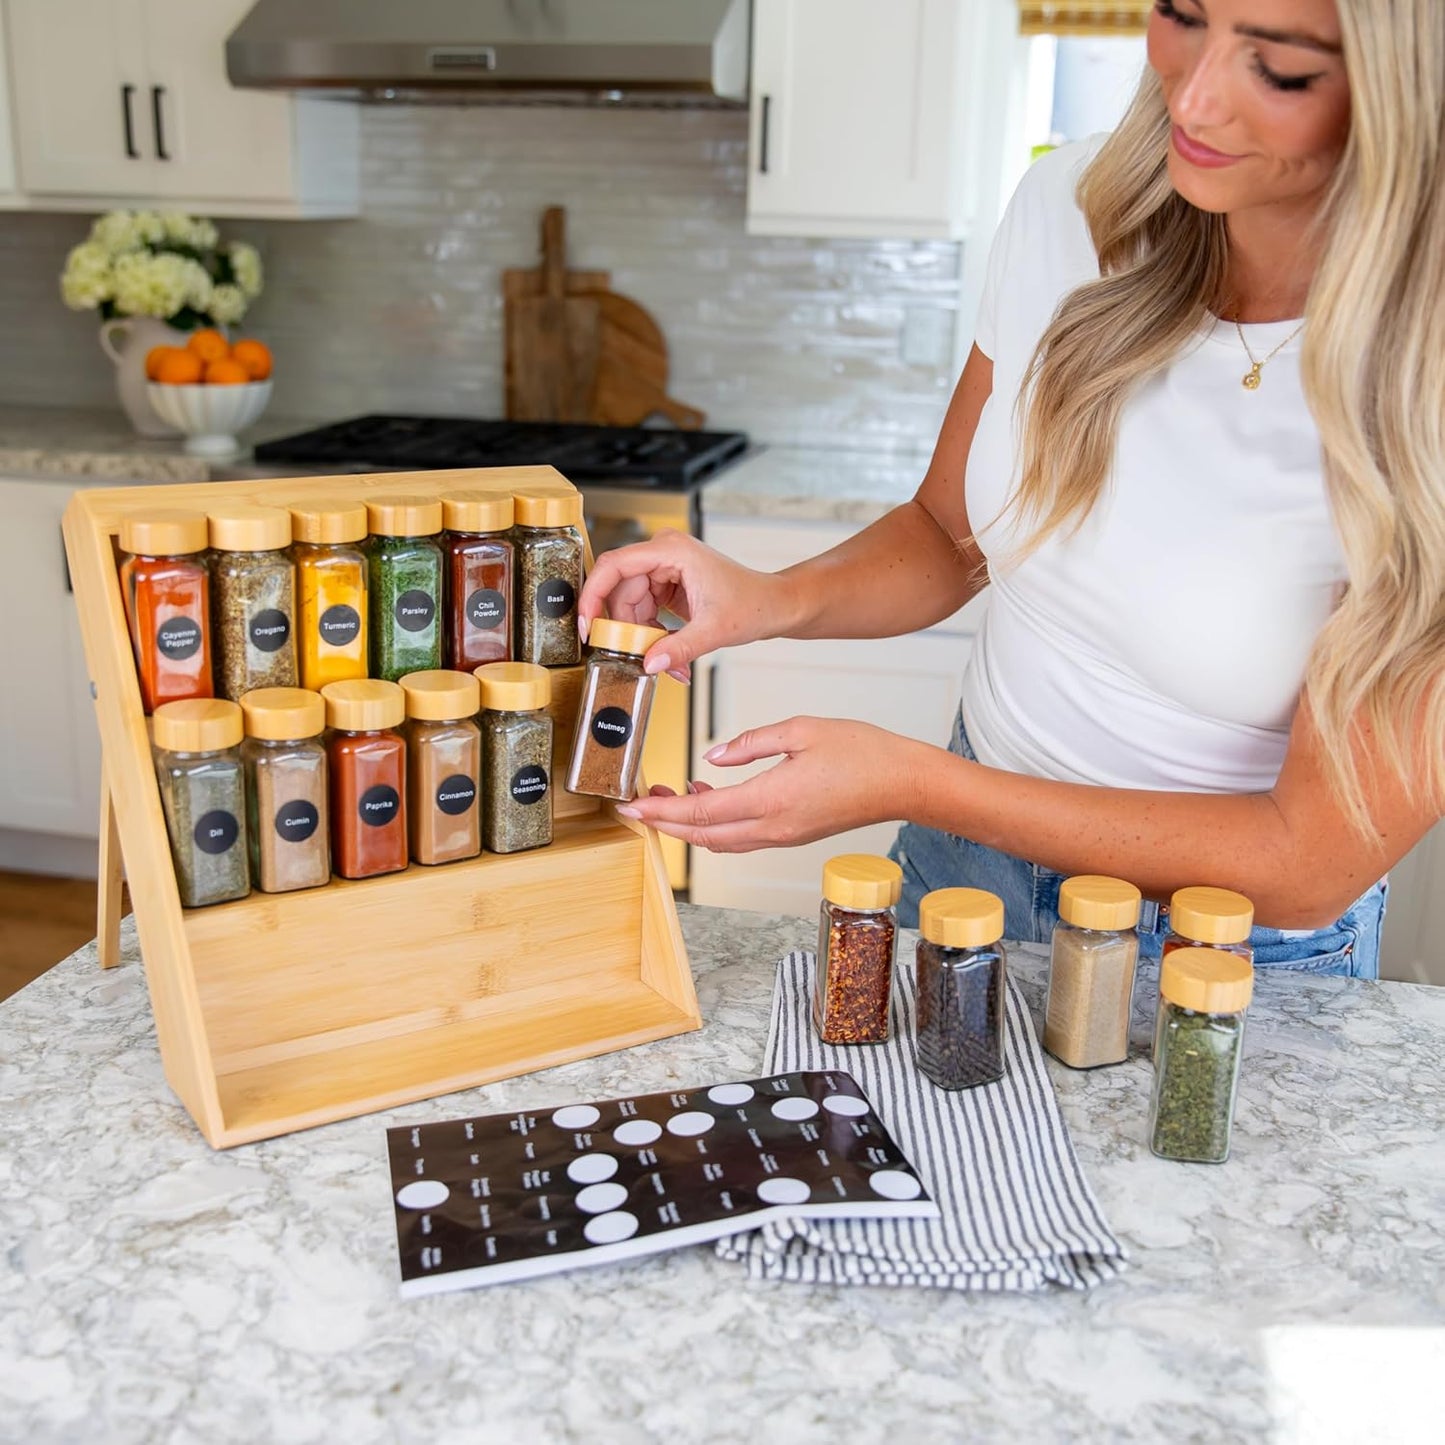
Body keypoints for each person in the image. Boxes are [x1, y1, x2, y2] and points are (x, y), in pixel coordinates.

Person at [577, 0, 1445, 978]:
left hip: (1217, 951)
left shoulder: (1417, 382)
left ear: (1400, 88)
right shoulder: (1070, 208)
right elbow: (947, 530)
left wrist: (912, 779)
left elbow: (1303, 859)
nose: (1192, 97)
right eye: (1181, 16)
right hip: (957, 873)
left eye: (1278, 70)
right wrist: (765, 597)